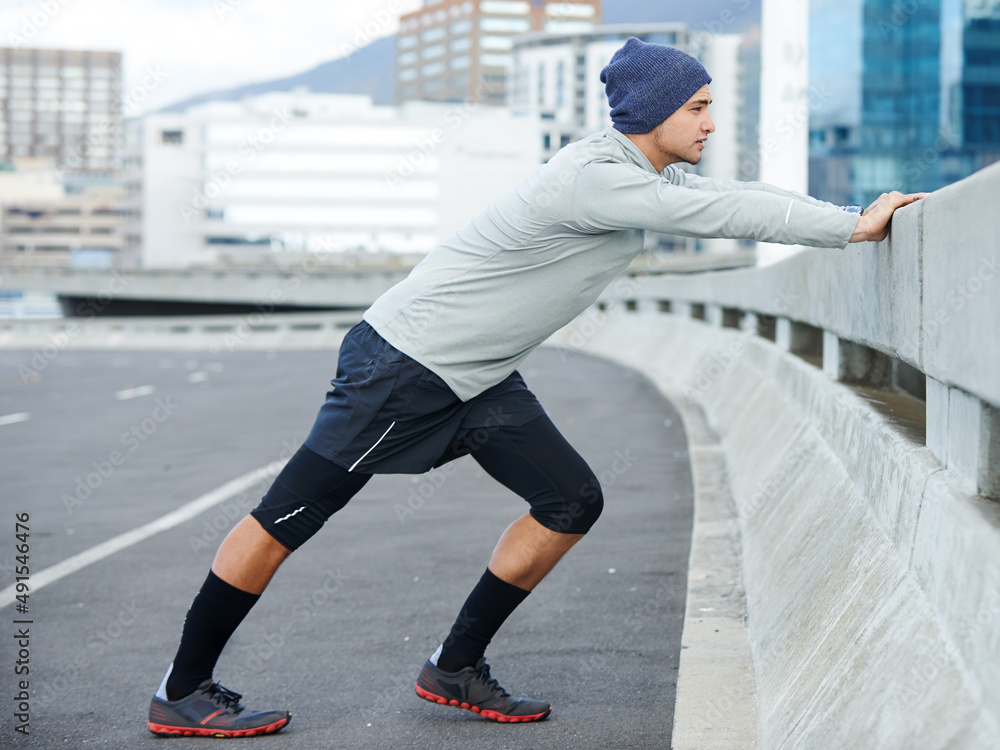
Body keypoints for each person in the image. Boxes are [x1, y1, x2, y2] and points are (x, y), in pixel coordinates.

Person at [147, 37, 926, 737]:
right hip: (406, 366)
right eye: (697, 107)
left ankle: (453, 666)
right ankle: (181, 691)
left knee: (570, 498)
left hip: (476, 376)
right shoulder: (595, 179)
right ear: (653, 111)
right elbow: (726, 208)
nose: (709, 124)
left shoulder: (630, 172)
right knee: (288, 516)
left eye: (711, 107)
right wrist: (851, 222)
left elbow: (715, 194)